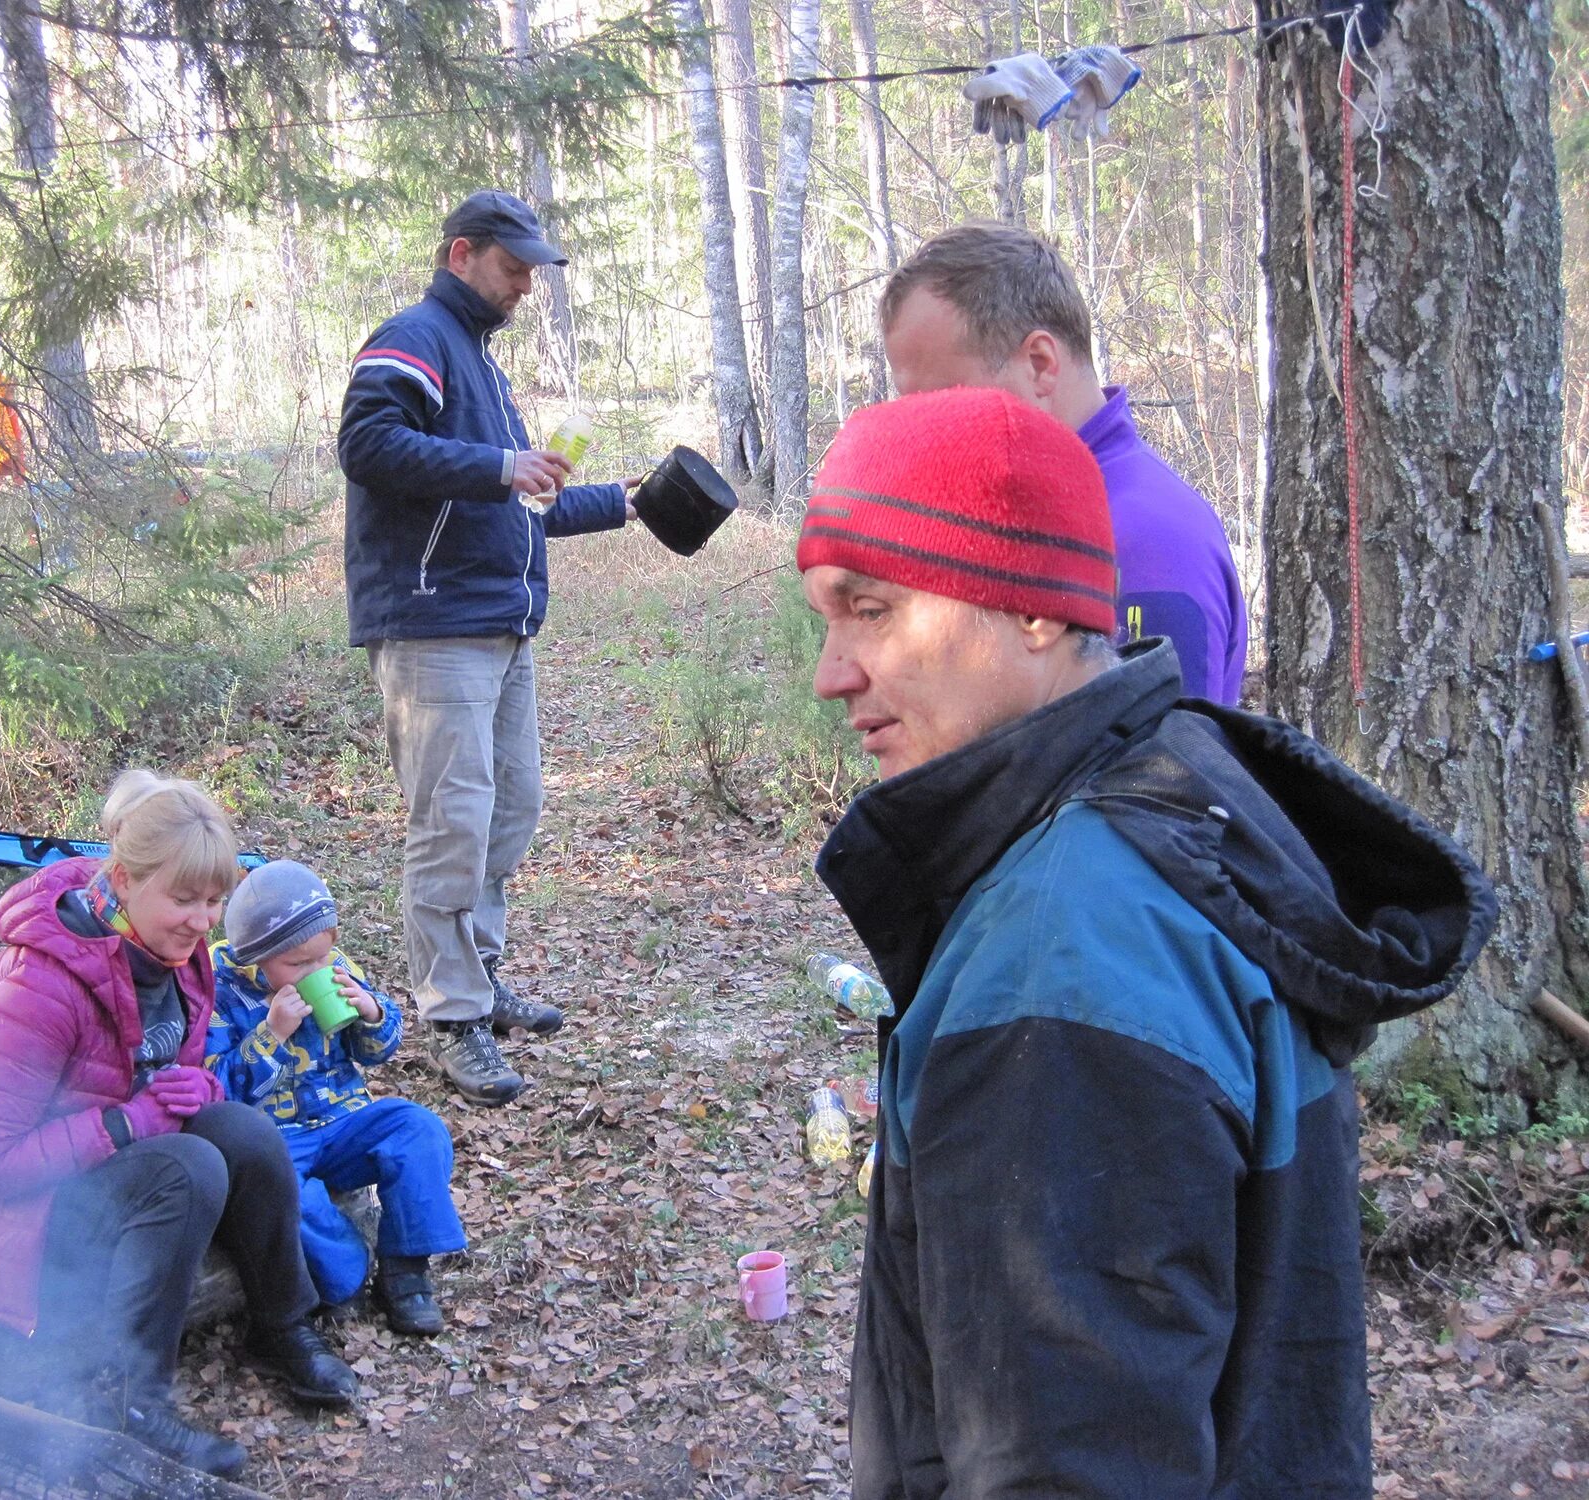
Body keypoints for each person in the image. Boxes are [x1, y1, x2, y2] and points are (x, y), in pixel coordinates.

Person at [797, 389, 1496, 1498]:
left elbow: (1067, 1463)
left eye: (869, 608)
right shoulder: (1176, 789)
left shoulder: (1058, 957)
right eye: (823, 621)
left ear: (1032, 607)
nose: (831, 672)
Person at [0, 771, 358, 1482]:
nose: (203, 921)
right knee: (189, 1166)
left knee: (239, 1130)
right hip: (15, 1224)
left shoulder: (178, 952)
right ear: (122, 879)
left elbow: (173, 1068)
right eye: (184, 900)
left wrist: (197, 1084)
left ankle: (283, 1324)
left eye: (214, 902)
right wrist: (132, 1121)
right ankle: (131, 1403)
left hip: (105, 1175)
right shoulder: (35, 987)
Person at [336, 189, 634, 1107]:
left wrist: (631, 500)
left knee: (509, 812)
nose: (524, 289)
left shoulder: (481, 369)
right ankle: (453, 1016)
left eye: (533, 275)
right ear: (461, 254)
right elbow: (366, 441)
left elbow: (522, 502)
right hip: (432, 629)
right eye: (514, 271)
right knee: (452, 823)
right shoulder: (416, 336)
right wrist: (501, 465)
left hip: (501, 626)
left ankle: (481, 973)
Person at [877, 221, 1248, 705]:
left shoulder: (1138, 540)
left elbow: (1166, 774)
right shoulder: (1041, 510)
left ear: (1040, 363)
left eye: (942, 401)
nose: (928, 434)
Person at [206, 860, 466, 1336]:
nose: (316, 970)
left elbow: (376, 1053)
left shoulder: (335, 965)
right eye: (298, 964)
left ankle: (406, 1269)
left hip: (344, 1121)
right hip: (276, 1140)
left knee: (417, 1129)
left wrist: (370, 1012)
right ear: (253, 958)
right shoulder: (218, 993)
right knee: (283, 1193)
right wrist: (270, 1035)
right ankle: (345, 1276)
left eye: (322, 956)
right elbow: (218, 1089)